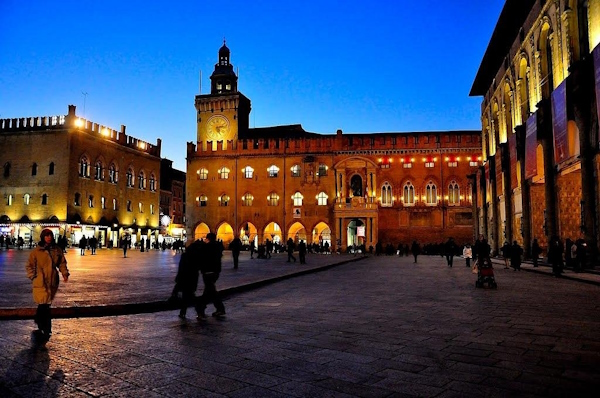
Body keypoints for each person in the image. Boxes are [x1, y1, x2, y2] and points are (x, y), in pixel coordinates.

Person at [25, 229, 69, 343]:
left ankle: (40, 323)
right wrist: (33, 276)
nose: (49, 237)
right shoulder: (36, 252)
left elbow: (62, 263)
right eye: (46, 236)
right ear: (43, 237)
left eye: (50, 235)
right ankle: (46, 327)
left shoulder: (56, 250)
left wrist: (65, 273)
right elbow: (29, 265)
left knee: (45, 305)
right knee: (44, 305)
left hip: (52, 281)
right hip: (40, 281)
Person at [196, 233, 226, 318]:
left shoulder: (207, 247)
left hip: (207, 271)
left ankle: (201, 308)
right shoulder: (218, 247)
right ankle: (216, 309)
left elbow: (201, 257)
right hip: (215, 271)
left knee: (210, 291)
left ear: (208, 238)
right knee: (210, 290)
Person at [175, 240, 202, 319]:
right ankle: (184, 312)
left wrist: (178, 277)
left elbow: (181, 267)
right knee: (188, 295)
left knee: (188, 296)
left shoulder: (185, 255)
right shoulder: (197, 256)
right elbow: (199, 267)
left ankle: (197, 311)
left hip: (184, 277)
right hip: (193, 278)